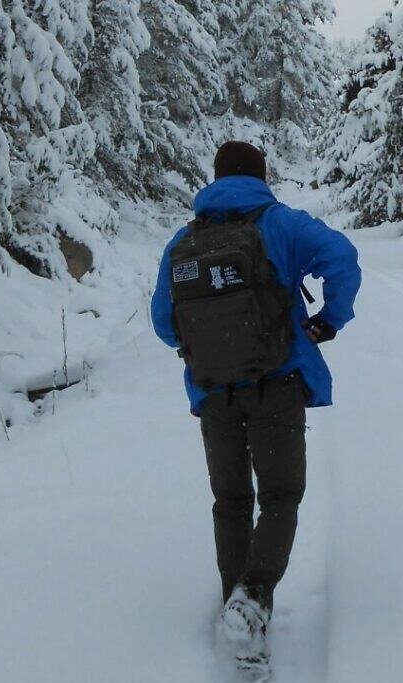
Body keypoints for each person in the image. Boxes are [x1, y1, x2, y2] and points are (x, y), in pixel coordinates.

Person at [149, 141, 361, 659]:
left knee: (232, 502)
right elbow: (342, 258)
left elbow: (161, 320)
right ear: (261, 176)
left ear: (216, 177)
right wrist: (328, 320)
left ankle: (237, 607)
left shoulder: (184, 240)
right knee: (281, 496)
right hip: (277, 384)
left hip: (213, 392)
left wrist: (209, 349)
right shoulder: (282, 225)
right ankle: (254, 597)